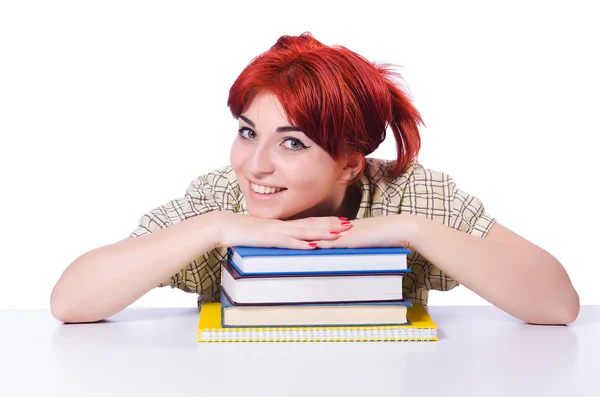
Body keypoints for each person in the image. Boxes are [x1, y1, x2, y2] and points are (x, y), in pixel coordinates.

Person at [50, 32, 579, 325]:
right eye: (247, 131)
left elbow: (556, 305)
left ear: (351, 161)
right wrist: (214, 228)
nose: (255, 164)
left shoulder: (411, 192)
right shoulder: (219, 196)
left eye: (293, 142)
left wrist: (410, 230)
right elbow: (71, 302)